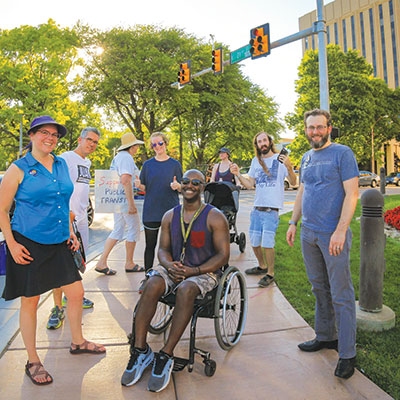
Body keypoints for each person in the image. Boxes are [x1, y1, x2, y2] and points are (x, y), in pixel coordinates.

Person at [0, 115, 105, 386]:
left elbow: (62, 200)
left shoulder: (60, 164)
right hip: (28, 243)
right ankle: (33, 360)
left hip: (59, 241)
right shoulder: (19, 168)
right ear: (33, 135)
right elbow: (1, 209)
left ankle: (78, 341)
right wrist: (12, 244)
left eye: (55, 135)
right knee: (30, 301)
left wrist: (70, 232)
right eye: (44, 133)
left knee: (76, 292)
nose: (50, 138)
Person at [121, 169, 230, 393]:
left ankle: (166, 354)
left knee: (187, 290)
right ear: (180, 185)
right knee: (151, 282)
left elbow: (223, 256)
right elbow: (162, 249)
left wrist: (194, 270)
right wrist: (169, 265)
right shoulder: (170, 215)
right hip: (175, 267)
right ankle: (140, 351)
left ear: (203, 186)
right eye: (186, 182)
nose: (190, 186)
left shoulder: (214, 216)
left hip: (204, 272)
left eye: (196, 183)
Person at [286, 109, 359, 379]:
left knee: (341, 293)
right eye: (310, 128)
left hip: (332, 235)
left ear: (329, 128)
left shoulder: (343, 153)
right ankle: (326, 336)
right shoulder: (306, 157)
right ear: (305, 130)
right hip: (309, 233)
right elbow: (302, 191)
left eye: (319, 127)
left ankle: (347, 353)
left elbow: (352, 194)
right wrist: (293, 222)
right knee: (319, 288)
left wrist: (341, 230)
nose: (315, 132)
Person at [46, 127, 100, 330]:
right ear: (80, 139)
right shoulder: (66, 158)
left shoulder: (87, 162)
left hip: (82, 221)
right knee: (60, 265)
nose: (92, 144)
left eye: (95, 142)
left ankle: (75, 295)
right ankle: (57, 308)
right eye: (89, 140)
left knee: (77, 262)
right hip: (65, 220)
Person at [230, 132, 297, 287]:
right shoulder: (255, 161)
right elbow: (250, 184)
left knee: (267, 243)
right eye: (259, 141)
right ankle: (262, 266)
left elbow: (293, 182)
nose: (262, 143)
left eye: (264, 140)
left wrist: (289, 167)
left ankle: (270, 273)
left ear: (269, 141)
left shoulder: (281, 159)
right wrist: (238, 174)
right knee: (254, 242)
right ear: (257, 145)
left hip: (271, 210)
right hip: (257, 209)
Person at [134, 132, 182, 278]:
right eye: (154, 144)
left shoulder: (175, 164)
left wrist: (177, 186)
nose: (157, 147)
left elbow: (183, 187)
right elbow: (144, 187)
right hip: (151, 211)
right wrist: (138, 185)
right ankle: (147, 276)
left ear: (165, 143)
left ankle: (174, 275)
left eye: (160, 143)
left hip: (171, 211)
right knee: (150, 245)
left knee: (173, 247)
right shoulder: (147, 165)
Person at [95, 132, 144, 275]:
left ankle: (102, 262)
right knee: (134, 229)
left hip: (117, 200)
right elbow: (125, 180)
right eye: (136, 146)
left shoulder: (118, 157)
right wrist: (131, 204)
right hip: (124, 201)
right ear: (132, 146)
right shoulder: (126, 158)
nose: (137, 149)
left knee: (118, 229)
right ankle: (129, 263)